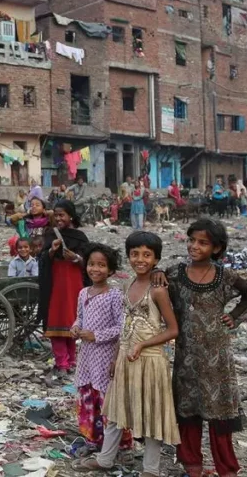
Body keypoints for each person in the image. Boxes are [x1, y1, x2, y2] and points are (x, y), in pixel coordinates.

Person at [152, 218, 247, 477]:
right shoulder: (175, 273)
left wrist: (234, 317)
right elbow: (156, 285)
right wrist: (156, 271)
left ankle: (227, 469)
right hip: (186, 356)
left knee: (220, 416)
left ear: (217, 249)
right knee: (188, 414)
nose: (194, 246)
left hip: (218, 357)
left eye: (202, 242)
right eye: (191, 240)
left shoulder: (225, 277)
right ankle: (193, 467)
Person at [76, 232, 180, 475]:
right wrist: (115, 357)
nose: (139, 259)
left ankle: (151, 469)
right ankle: (105, 459)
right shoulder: (128, 285)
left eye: (146, 255)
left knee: (152, 414)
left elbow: (173, 329)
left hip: (150, 360)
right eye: (134, 254)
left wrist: (143, 345)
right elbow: (123, 327)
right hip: (125, 356)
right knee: (115, 410)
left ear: (156, 259)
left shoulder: (158, 289)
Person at [69, 243, 131, 457]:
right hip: (86, 355)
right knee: (88, 396)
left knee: (106, 400)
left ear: (111, 270)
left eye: (102, 265)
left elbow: (121, 327)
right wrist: (76, 327)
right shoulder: (83, 292)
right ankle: (93, 439)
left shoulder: (114, 295)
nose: (95, 269)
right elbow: (80, 317)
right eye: (92, 264)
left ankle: (116, 444)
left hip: (105, 356)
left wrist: (97, 335)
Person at [37, 200, 89, 372]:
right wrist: (52, 251)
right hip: (56, 283)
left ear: (70, 216)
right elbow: (42, 258)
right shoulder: (51, 234)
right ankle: (61, 362)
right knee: (56, 319)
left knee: (72, 320)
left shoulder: (79, 237)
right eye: (56, 215)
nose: (58, 219)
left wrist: (74, 257)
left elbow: (88, 261)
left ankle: (72, 361)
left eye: (62, 215)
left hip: (74, 282)